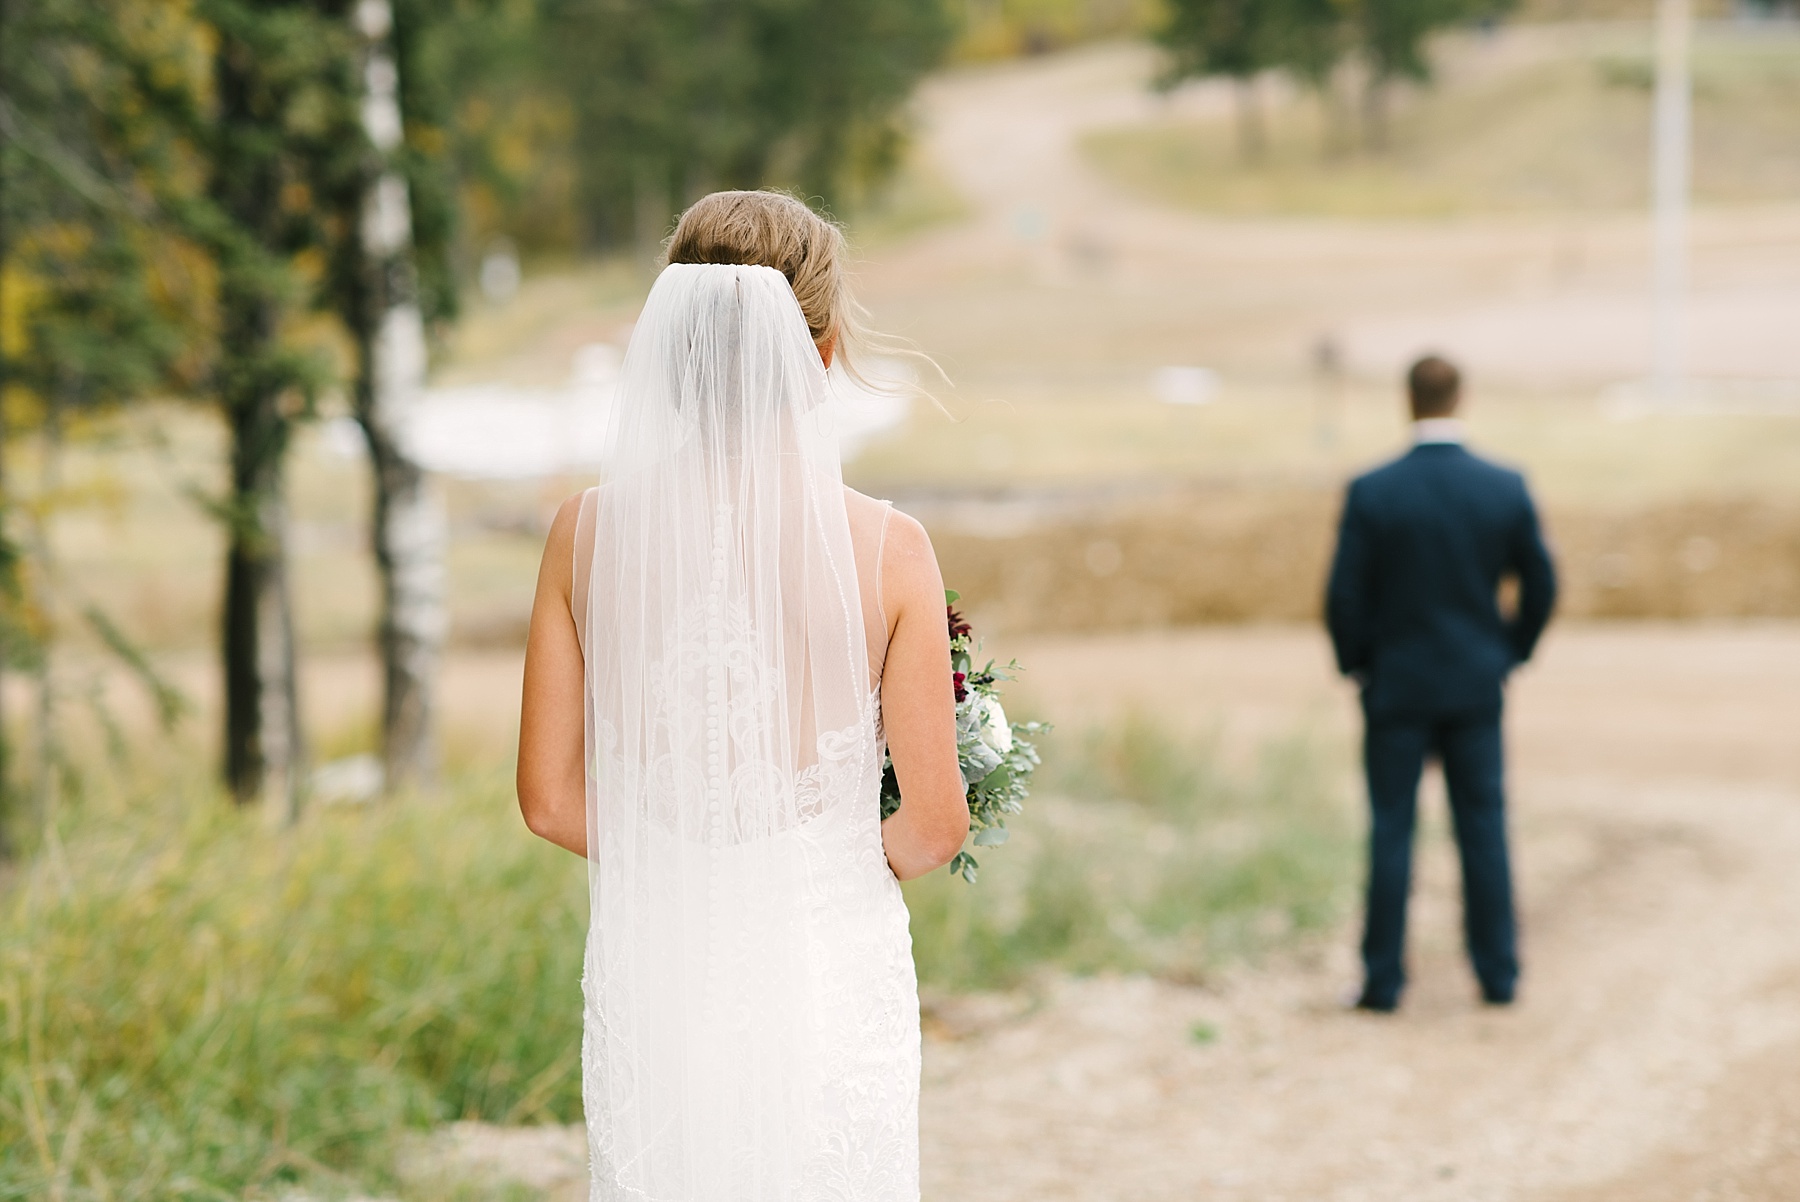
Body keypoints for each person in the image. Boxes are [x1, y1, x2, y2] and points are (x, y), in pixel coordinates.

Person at [516, 191, 969, 1200]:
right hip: (823, 962)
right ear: (822, 350)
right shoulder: (891, 551)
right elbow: (935, 827)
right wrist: (805, 866)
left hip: (661, 958)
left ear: (673, 346)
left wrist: (689, 861)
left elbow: (547, 798)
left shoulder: (582, 536)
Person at [1325, 355, 1556, 1013]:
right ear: (1462, 399)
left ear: (1408, 400)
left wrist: (1359, 663)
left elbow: (1344, 595)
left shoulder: (1373, 490)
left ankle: (1382, 981)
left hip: (1396, 686)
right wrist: (1511, 650)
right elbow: (1541, 582)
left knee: (1391, 829)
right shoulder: (1503, 485)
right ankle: (1499, 975)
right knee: (1483, 827)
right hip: (1475, 685)